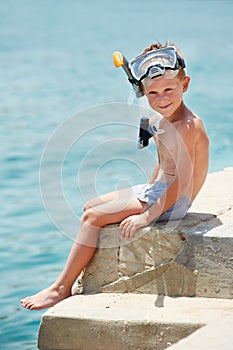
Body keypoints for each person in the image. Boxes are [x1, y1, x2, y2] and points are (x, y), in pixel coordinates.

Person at [21, 41, 209, 310]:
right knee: (90, 205)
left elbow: (180, 181)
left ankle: (60, 288)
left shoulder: (187, 125)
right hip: (158, 190)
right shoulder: (156, 120)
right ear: (142, 91)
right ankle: (73, 276)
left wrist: (147, 215)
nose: (161, 98)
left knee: (92, 217)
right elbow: (161, 163)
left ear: (185, 85)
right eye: (153, 92)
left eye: (169, 89)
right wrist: (145, 192)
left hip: (175, 199)